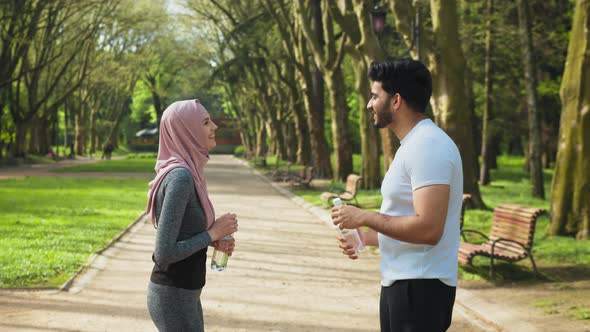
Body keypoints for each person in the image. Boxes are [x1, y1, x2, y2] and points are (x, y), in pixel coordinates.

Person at [331, 59, 463, 332]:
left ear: (396, 100)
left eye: (375, 96)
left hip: (420, 289)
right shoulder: (413, 144)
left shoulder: (428, 146)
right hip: (403, 284)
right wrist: (366, 237)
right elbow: (405, 219)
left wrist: (364, 216)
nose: (369, 105)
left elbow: (428, 229)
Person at [146, 99, 239, 331]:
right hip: (173, 295)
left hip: (185, 294)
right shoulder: (181, 177)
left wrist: (212, 239)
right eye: (206, 122)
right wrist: (212, 233)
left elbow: (180, 234)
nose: (214, 127)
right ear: (186, 130)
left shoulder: (189, 172)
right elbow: (164, 253)